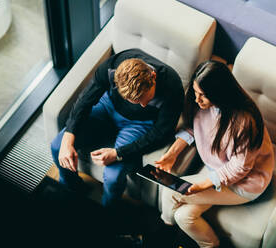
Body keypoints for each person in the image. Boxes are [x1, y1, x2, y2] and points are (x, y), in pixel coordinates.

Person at [155, 61, 274, 248]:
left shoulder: (244, 122)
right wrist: (172, 154)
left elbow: (240, 167)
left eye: (202, 95)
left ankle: (161, 237)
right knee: (183, 216)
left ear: (220, 93)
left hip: (244, 183)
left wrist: (203, 184)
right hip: (216, 170)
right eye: (195, 92)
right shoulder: (202, 106)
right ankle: (210, 245)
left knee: (169, 193)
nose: (196, 99)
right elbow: (193, 127)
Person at [50, 48, 184, 208]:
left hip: (139, 124)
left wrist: (118, 153)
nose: (143, 105)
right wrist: (69, 136)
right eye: (136, 101)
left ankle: (108, 211)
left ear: (153, 77)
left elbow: (162, 133)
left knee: (113, 176)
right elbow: (86, 100)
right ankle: (69, 187)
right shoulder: (112, 67)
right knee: (58, 146)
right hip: (107, 107)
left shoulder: (173, 87)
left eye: (146, 99)